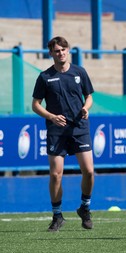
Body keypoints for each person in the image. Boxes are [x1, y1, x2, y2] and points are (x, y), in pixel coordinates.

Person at [32, 36, 95, 232]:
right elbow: (35, 105)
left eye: (63, 50)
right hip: (56, 131)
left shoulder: (79, 72)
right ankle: (57, 215)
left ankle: (84, 208)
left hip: (79, 128)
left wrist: (86, 108)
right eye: (56, 51)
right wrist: (51, 116)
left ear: (68, 51)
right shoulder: (44, 77)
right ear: (51, 53)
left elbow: (89, 97)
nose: (60, 53)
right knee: (55, 174)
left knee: (89, 171)